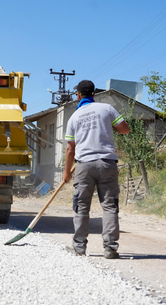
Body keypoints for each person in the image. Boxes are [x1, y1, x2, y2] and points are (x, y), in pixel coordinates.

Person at [63, 80, 129, 259]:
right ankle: (110, 248)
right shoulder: (106, 108)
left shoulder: (74, 117)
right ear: (94, 94)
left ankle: (79, 248)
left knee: (82, 206)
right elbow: (125, 130)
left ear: (78, 96)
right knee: (109, 206)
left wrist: (67, 172)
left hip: (84, 165)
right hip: (107, 163)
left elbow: (70, 149)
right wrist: (111, 127)